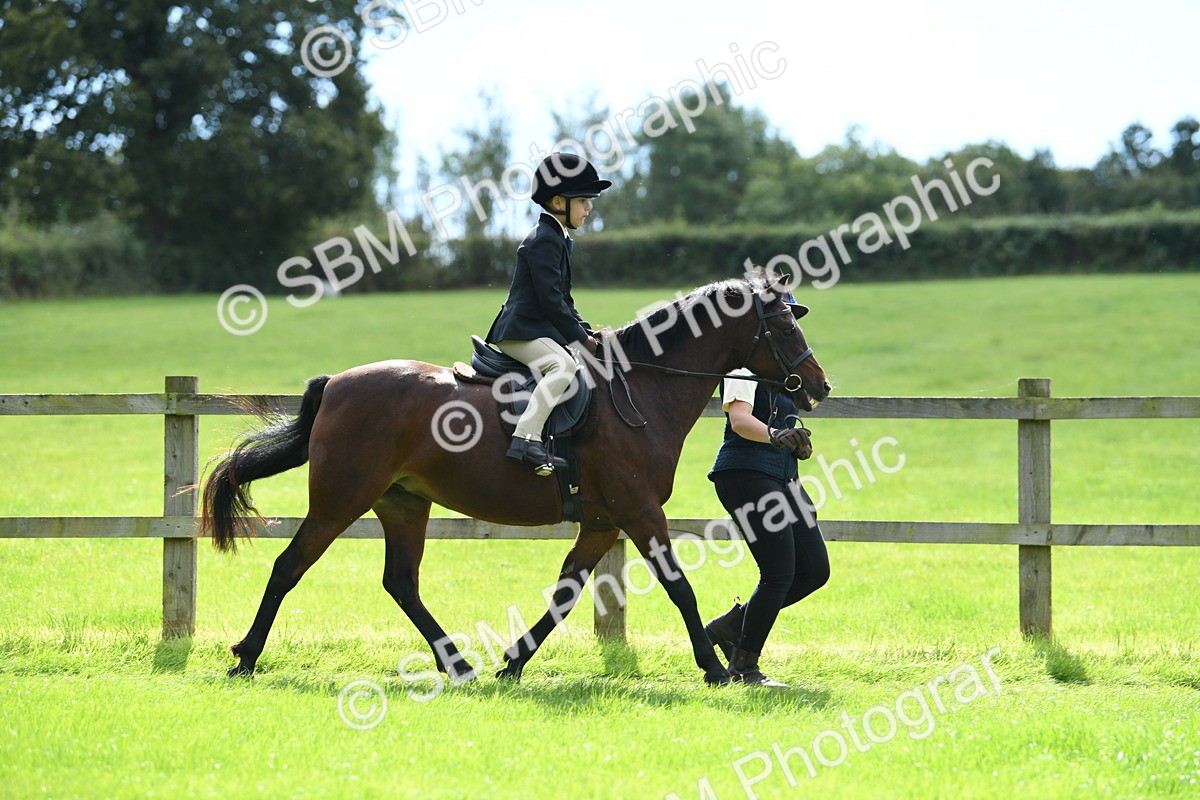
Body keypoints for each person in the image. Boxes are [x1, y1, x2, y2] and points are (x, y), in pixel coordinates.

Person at [704, 293, 830, 687]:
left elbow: (790, 420)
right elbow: (741, 422)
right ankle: (744, 667)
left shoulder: (784, 377)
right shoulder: (741, 368)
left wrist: (798, 442)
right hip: (745, 474)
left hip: (783, 478)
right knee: (778, 574)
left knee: (814, 570)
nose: (788, 325)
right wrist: (777, 435)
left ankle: (730, 627)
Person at [485, 152, 611, 474]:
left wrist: (585, 330)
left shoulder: (558, 237)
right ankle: (525, 439)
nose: (589, 207)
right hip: (519, 331)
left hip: (534, 329)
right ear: (558, 202)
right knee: (563, 365)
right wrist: (579, 338)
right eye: (583, 200)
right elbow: (551, 301)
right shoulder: (544, 240)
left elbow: (564, 299)